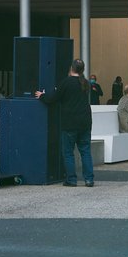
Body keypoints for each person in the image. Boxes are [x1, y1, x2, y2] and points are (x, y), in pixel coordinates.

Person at [36, 59, 95, 187]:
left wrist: (42, 96)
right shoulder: (85, 83)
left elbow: (53, 99)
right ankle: (89, 179)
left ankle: (71, 179)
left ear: (71, 68)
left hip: (70, 122)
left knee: (68, 152)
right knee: (85, 151)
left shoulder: (66, 82)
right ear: (82, 70)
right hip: (85, 121)